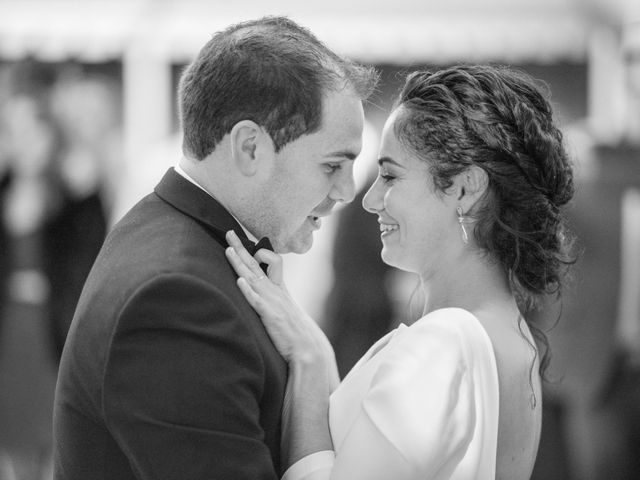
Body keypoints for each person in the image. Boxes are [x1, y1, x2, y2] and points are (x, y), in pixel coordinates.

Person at [53, 16, 377, 480]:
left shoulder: (181, 243)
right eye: (332, 165)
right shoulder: (175, 298)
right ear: (249, 147)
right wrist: (311, 365)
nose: (348, 191)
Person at [226, 64, 576, 479]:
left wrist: (307, 360)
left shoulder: (440, 346)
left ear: (465, 188)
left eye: (389, 176)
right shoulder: (513, 336)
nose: (370, 200)